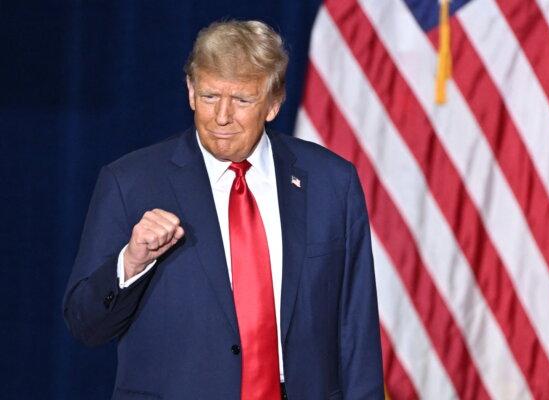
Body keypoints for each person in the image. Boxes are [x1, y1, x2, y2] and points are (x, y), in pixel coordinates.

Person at [63, 20, 383, 399]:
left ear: (274, 103)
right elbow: (85, 324)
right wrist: (130, 263)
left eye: (242, 100)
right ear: (190, 92)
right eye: (211, 96)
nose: (222, 117)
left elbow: (356, 329)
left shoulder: (332, 183)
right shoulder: (130, 182)